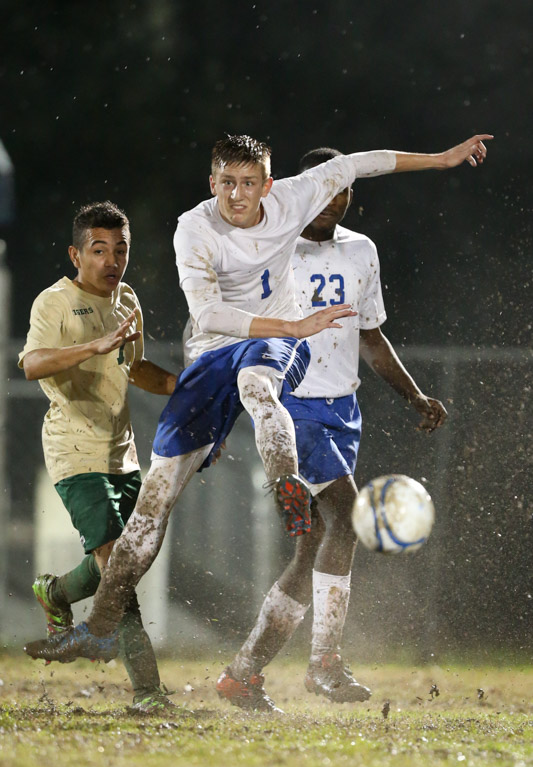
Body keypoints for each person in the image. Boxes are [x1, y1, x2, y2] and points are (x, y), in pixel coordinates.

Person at [24, 131, 492, 666]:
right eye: (227, 183)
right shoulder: (194, 229)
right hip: (215, 351)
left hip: (276, 343)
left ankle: (284, 481)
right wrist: (291, 325)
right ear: (212, 183)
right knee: (154, 498)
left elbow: (363, 162)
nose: (237, 196)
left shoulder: (296, 196)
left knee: (258, 383)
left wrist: (441, 158)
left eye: (249, 183)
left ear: (269, 185)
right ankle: (101, 626)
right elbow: (209, 316)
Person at [215, 147, 449, 712]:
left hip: (344, 411)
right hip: (292, 405)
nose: (330, 199)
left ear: (348, 195)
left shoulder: (361, 252)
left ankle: (242, 674)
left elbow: (370, 337)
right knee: (346, 514)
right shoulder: (270, 245)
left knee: (313, 546)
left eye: (341, 190)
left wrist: (412, 394)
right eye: (321, 188)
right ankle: (324, 663)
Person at [21, 201, 179, 713]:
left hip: (123, 455)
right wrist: (93, 347)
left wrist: (186, 389)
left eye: (121, 250)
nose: (112, 260)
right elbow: (32, 363)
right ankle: (149, 694)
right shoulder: (54, 303)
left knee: (123, 564)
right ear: (76, 254)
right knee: (119, 570)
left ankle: (59, 593)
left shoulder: (128, 298)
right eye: (99, 249)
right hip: (74, 451)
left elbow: (136, 369)